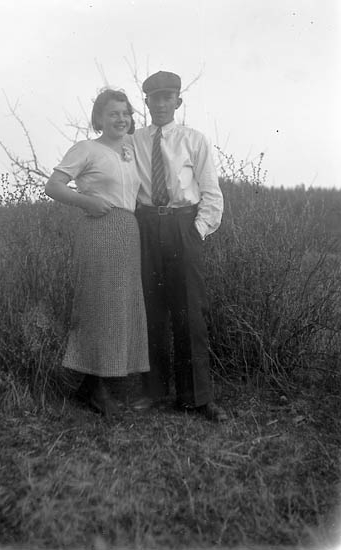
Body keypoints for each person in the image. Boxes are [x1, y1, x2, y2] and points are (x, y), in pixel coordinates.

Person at [128, 71, 228, 422]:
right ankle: (153, 391)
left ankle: (196, 398)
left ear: (178, 102)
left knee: (189, 312)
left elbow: (211, 192)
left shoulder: (193, 140)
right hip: (145, 226)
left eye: (167, 97)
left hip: (182, 225)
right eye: (154, 98)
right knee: (150, 311)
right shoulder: (133, 141)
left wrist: (196, 231)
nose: (160, 104)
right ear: (146, 102)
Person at [45, 89, 150, 418]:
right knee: (100, 303)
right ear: (99, 119)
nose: (121, 119)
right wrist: (85, 201)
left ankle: (95, 383)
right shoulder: (86, 149)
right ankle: (95, 387)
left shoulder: (132, 151)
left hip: (128, 230)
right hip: (99, 228)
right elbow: (53, 186)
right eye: (113, 113)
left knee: (120, 306)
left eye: (126, 113)